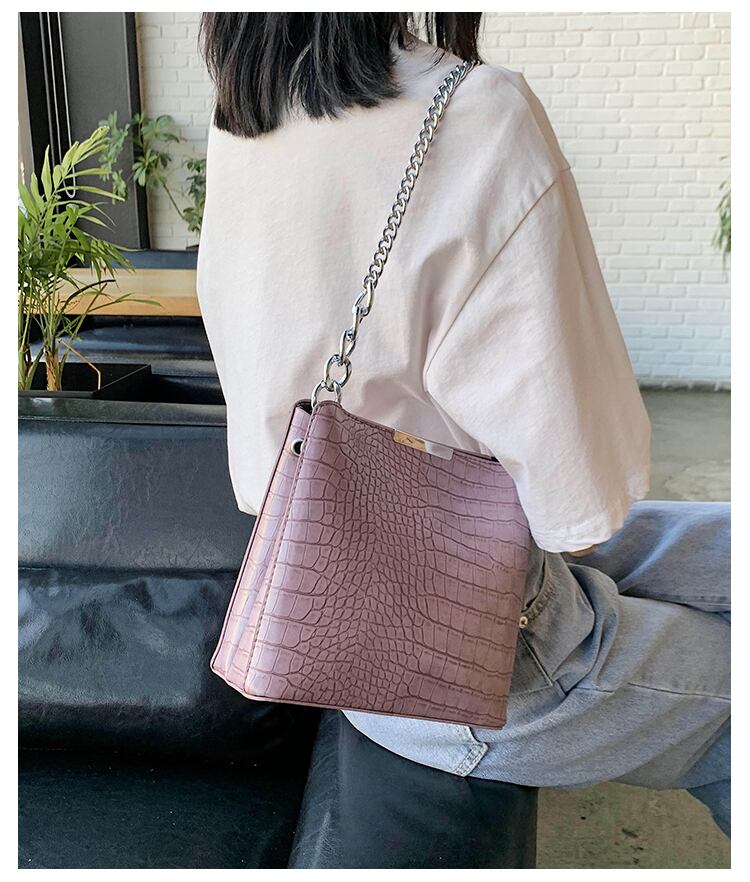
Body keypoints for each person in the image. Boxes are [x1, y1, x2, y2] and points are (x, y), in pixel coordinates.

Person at [196, 12, 730, 839]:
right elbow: (581, 506)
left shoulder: (245, 113)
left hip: (340, 609)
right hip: (477, 657)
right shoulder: (474, 112)